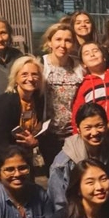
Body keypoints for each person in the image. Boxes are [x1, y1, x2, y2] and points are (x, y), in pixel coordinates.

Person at [47, 103, 109, 210]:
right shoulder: (63, 163)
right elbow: (59, 205)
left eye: (99, 126)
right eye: (88, 128)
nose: (94, 132)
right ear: (79, 130)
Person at [0, 55, 48, 166]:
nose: (30, 79)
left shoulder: (38, 98)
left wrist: (35, 142)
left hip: (21, 154)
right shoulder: (7, 102)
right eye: (24, 74)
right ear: (15, 78)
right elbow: (1, 142)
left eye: (35, 74)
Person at [40, 23, 84, 166]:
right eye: (58, 39)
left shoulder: (79, 66)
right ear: (49, 42)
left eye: (68, 40)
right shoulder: (41, 64)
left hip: (74, 132)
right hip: (50, 133)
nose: (63, 45)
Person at [71, 41, 109, 126]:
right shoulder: (83, 86)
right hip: (98, 131)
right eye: (86, 53)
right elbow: (76, 115)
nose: (92, 54)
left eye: (95, 51)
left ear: (104, 57)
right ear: (83, 64)